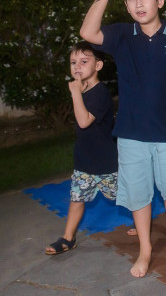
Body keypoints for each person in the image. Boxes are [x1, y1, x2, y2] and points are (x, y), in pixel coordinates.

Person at [80, 0, 166, 277]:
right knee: (138, 194)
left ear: (159, 1)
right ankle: (145, 250)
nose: (138, 4)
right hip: (131, 133)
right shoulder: (123, 35)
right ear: (126, 5)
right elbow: (87, 32)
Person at [45, 42, 118, 255]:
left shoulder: (100, 93)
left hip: (106, 163)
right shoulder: (82, 91)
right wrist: (78, 92)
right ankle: (68, 238)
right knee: (76, 199)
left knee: (127, 197)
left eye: (84, 61)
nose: (77, 66)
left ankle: (140, 223)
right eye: (73, 62)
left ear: (98, 65)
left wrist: (75, 93)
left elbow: (84, 121)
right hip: (84, 161)